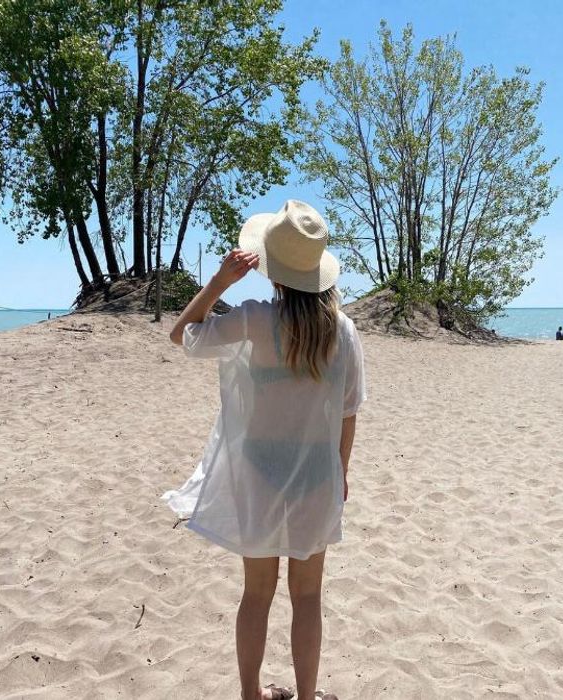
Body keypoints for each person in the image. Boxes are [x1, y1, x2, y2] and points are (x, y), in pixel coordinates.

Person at [165, 200, 364, 700]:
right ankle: (306, 694)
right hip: (317, 478)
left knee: (257, 594)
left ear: (271, 270)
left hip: (258, 473)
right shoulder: (343, 330)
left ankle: (251, 694)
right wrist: (340, 472)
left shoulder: (254, 319)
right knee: (308, 595)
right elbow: (349, 410)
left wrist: (219, 283)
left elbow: (181, 334)